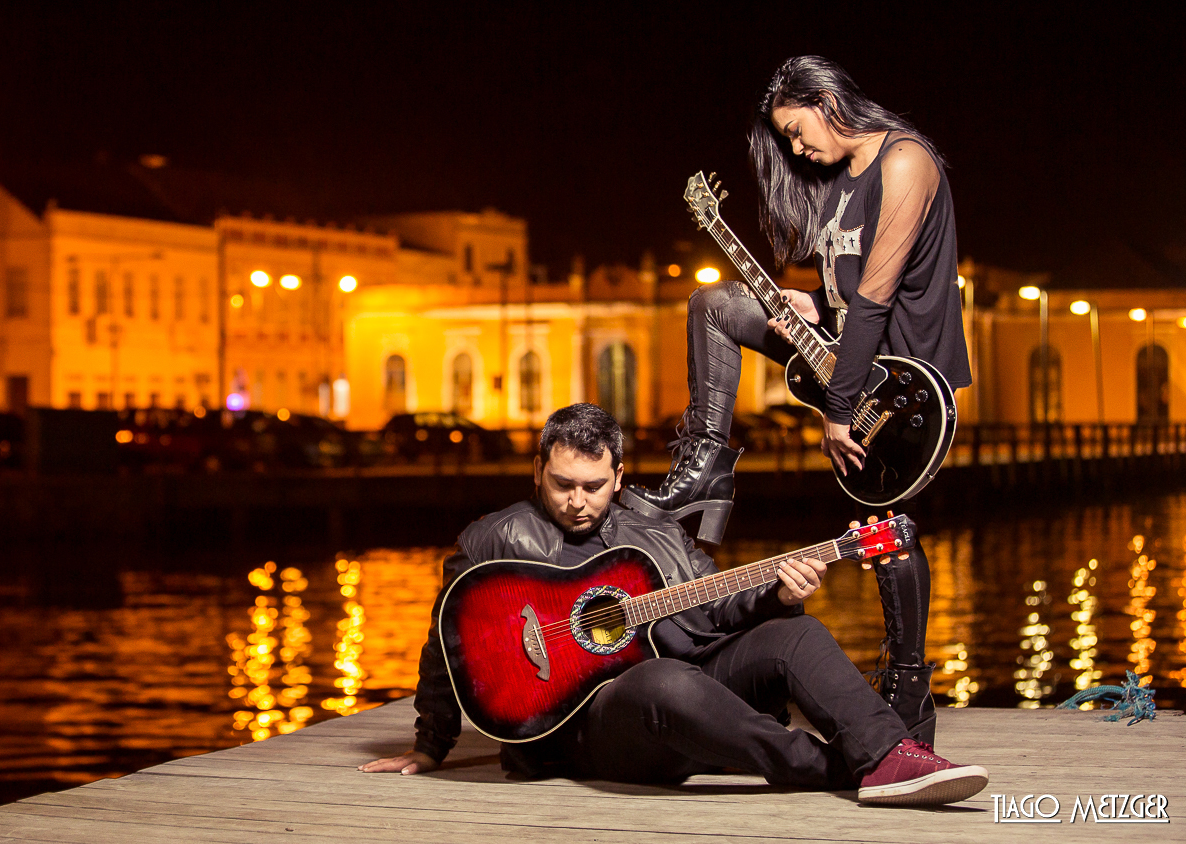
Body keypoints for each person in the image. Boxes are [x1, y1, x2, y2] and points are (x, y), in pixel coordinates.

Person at [360, 403, 987, 806]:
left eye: (594, 486)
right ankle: (836, 767)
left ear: (620, 476)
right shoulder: (495, 539)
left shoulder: (654, 536)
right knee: (661, 679)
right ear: (537, 471)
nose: (577, 501)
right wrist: (430, 745)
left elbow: (714, 617)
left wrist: (774, 595)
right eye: (562, 485)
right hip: (575, 731)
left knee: (793, 636)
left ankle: (890, 757)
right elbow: (449, 643)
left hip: (682, 700)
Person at [622, 57, 972, 745]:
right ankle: (706, 470)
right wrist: (806, 306)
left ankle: (908, 696)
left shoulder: (906, 162)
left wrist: (838, 409)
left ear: (827, 99)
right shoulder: (838, 183)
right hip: (848, 350)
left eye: (795, 129)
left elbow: (876, 301)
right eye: (785, 139)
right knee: (717, 305)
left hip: (899, 380)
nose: (795, 148)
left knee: (885, 521)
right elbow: (848, 294)